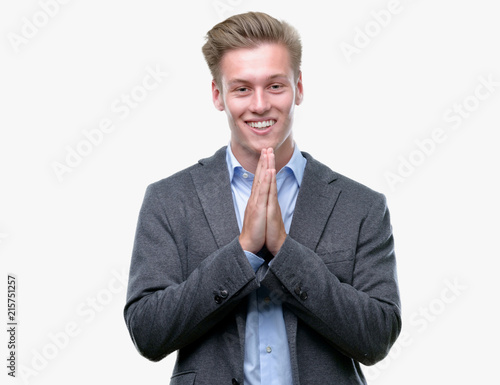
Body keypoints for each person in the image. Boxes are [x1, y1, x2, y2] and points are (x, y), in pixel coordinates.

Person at [124, 11, 401, 385]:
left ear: (298, 88)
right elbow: (148, 333)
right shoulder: (170, 200)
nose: (259, 105)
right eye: (241, 88)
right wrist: (243, 252)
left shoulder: (362, 206)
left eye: (275, 86)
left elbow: (377, 338)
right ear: (217, 95)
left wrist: (285, 253)